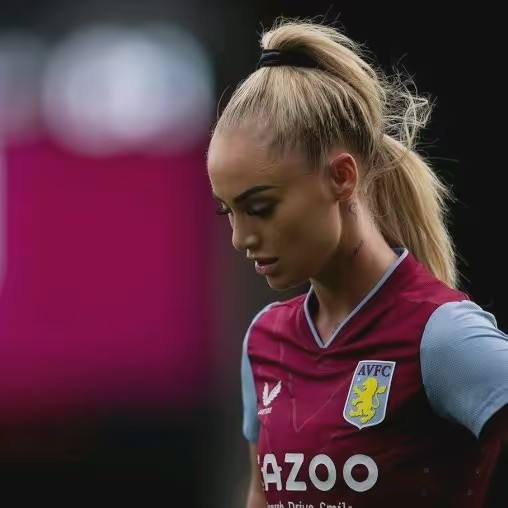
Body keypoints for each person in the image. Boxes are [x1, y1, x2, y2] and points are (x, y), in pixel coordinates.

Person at [206, 18, 508, 508]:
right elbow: (261, 493)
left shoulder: (442, 338)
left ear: (341, 177)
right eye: (228, 212)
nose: (241, 238)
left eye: (260, 207)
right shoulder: (264, 341)